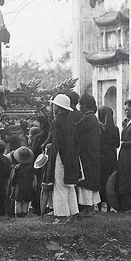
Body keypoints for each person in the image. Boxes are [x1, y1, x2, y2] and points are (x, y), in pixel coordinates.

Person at [47, 93, 80, 224]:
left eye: (54, 105)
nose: (53, 107)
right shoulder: (71, 122)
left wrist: (61, 157)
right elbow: (76, 141)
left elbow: (60, 143)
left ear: (59, 108)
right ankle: (73, 212)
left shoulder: (57, 122)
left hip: (61, 156)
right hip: (71, 156)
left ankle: (62, 216)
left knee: (59, 186)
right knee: (69, 185)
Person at [74, 94, 103, 215]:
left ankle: (88, 208)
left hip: (87, 154)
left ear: (85, 106)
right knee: (92, 180)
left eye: (80, 106)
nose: (79, 108)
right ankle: (90, 207)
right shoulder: (93, 118)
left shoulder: (87, 118)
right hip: (93, 153)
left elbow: (76, 129)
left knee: (86, 181)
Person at [97, 106, 119, 210]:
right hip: (112, 157)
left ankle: (100, 205)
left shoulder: (99, 128)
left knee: (101, 180)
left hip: (101, 157)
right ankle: (110, 205)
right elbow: (117, 144)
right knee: (110, 181)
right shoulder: (115, 129)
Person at [8, 146, 35, 217]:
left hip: (19, 186)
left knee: (18, 200)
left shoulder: (17, 167)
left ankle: (18, 213)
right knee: (26, 200)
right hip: (28, 185)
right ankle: (25, 212)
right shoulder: (31, 167)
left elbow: (14, 178)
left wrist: (13, 185)